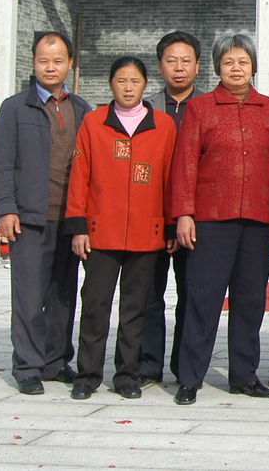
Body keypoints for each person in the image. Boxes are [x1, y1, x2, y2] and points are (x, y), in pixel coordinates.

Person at [171, 34, 269, 405]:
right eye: (228, 63)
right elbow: (185, 163)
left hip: (256, 218)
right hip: (210, 219)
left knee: (250, 300)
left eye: (243, 62)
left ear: (253, 67)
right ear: (217, 68)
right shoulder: (201, 108)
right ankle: (190, 376)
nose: (236, 69)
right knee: (203, 299)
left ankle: (244, 374)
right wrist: (184, 214)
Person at [66, 57, 178, 400]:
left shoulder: (163, 125)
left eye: (134, 81)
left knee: (135, 307)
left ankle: (127, 374)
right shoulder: (93, 122)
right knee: (96, 304)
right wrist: (78, 227)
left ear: (145, 86)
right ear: (111, 85)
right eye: (121, 81)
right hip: (101, 232)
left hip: (147, 232)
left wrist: (171, 225)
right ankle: (88, 374)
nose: (128, 88)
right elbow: (79, 178)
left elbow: (172, 179)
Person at [0, 31, 92, 394]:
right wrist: (6, 208)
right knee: (30, 296)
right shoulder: (14, 108)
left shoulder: (81, 109)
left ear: (69, 64)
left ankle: (55, 359)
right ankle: (29, 366)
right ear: (33, 63)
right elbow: (1, 163)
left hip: (70, 219)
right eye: (43, 60)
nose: (51, 67)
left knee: (63, 294)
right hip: (29, 218)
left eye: (58, 60)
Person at [141, 30, 202, 385]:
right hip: (151, 217)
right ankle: (148, 365)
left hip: (194, 221)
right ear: (160, 65)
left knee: (191, 295)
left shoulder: (208, 108)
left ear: (197, 66)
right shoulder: (144, 110)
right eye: (171, 61)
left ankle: (185, 366)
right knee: (149, 295)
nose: (178, 69)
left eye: (185, 61)